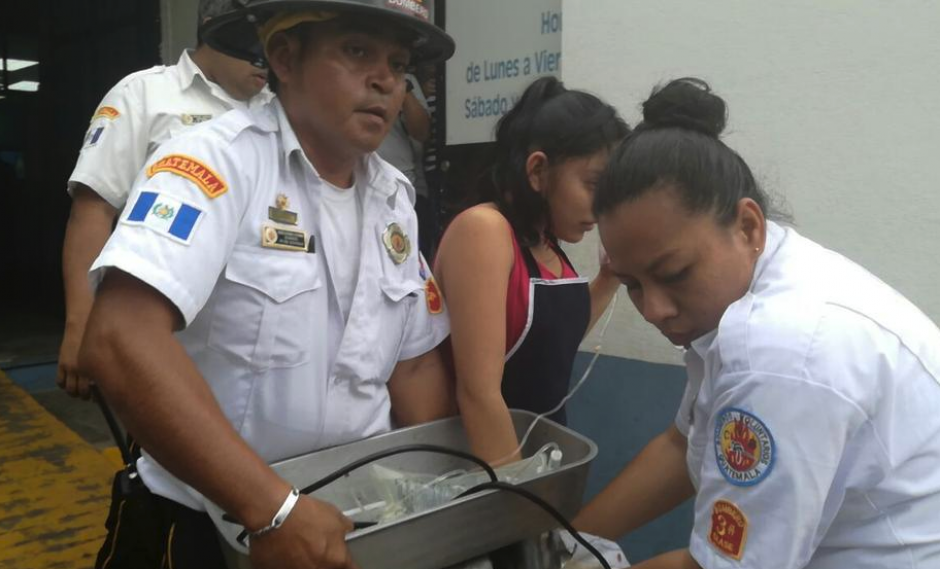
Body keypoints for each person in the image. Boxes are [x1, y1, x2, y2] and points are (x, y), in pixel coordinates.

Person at [78, 1, 456, 568]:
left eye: (399, 64)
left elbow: (415, 366)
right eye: (357, 51)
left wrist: (437, 498)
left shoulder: (394, 198)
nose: (385, 80)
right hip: (214, 524)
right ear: (285, 57)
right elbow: (119, 338)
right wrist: (273, 509)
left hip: (354, 523)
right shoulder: (213, 162)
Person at [575, 78, 940, 568]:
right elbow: (682, 445)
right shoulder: (763, 277)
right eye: (631, 284)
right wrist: (563, 543)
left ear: (748, 226)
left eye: (674, 274)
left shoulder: (782, 349)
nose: (655, 310)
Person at [58, 0, 273, 400]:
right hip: (162, 327)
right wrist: (80, 325)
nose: (265, 58)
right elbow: (93, 209)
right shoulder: (145, 94)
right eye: (251, 39)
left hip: (257, 342)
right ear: (214, 27)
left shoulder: (278, 110)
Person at [433, 77, 629, 464]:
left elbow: (551, 342)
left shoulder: (546, 241)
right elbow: (478, 393)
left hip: (539, 457)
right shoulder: (485, 230)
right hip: (481, 463)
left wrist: (608, 279)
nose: (603, 207)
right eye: (594, 185)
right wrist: (518, 490)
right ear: (537, 170)